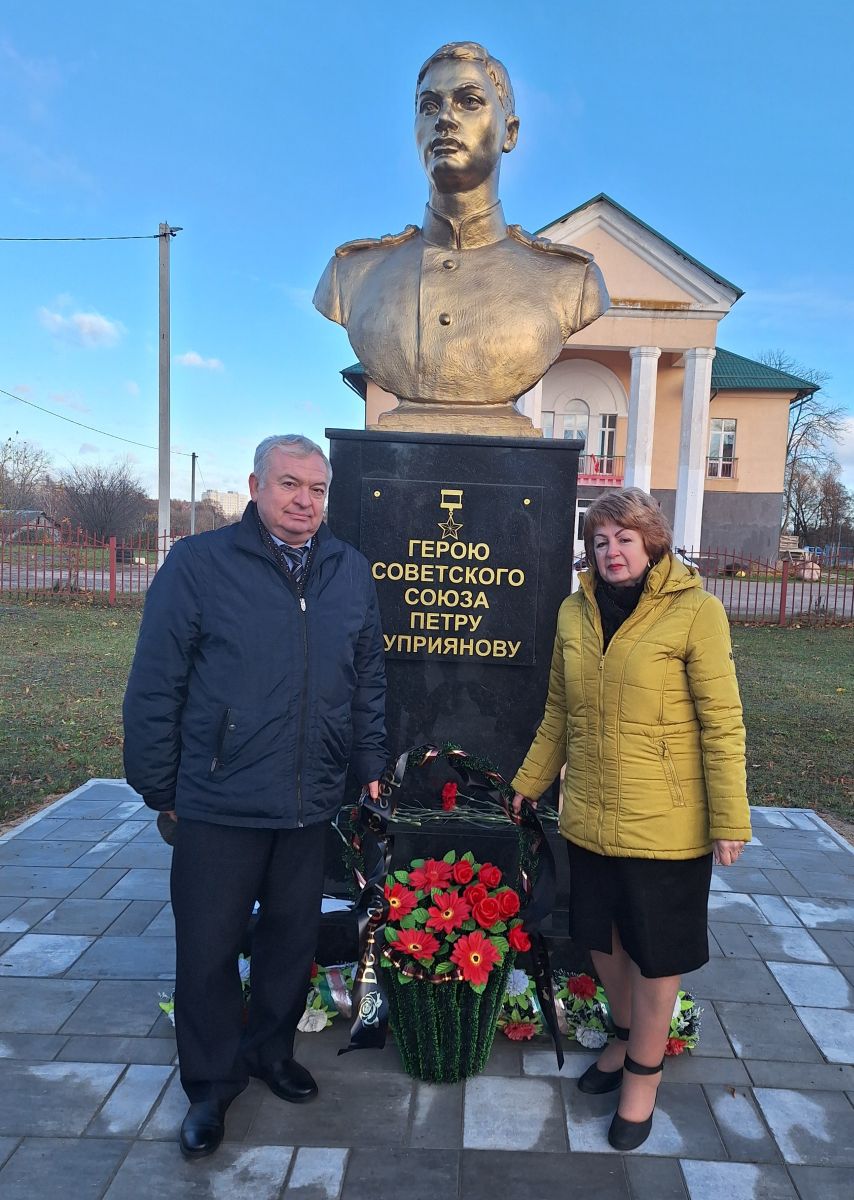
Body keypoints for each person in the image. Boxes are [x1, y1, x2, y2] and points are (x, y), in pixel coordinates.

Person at [123, 434, 386, 1159]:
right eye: (289, 485)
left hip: (309, 802)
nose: (305, 501)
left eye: (317, 489)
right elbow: (156, 683)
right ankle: (210, 1087)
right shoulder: (200, 565)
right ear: (256, 486)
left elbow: (367, 679)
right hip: (219, 799)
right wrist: (158, 785)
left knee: (289, 940)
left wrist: (366, 759)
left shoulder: (347, 570)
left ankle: (271, 1051)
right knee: (207, 949)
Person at [512, 487, 750, 1151]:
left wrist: (730, 817)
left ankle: (643, 1075)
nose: (610, 551)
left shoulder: (696, 612)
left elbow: (722, 721)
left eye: (624, 538)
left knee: (655, 955)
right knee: (600, 941)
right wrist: (529, 784)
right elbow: (560, 712)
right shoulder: (573, 612)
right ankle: (623, 1038)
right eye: (599, 540)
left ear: (652, 542)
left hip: (665, 821)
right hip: (589, 811)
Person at [313, 41, 608, 433]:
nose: (444, 120)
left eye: (468, 101)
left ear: (510, 132)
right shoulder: (352, 275)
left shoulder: (569, 282)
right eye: (429, 106)